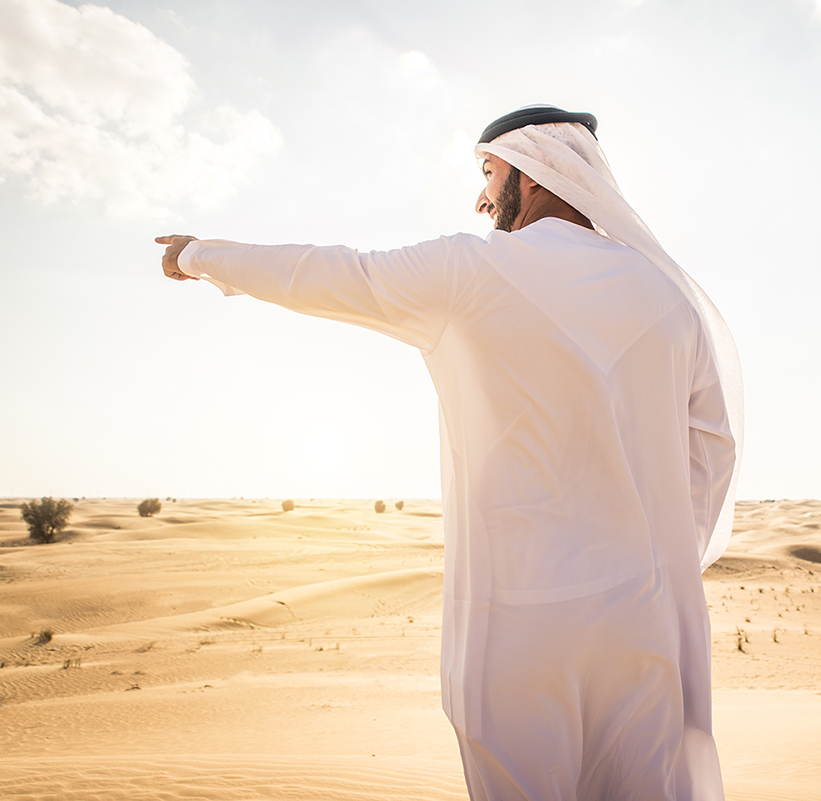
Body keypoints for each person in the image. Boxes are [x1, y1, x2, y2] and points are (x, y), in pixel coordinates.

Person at [157, 105, 742, 801]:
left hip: (517, 622)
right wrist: (663, 562)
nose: (482, 197)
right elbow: (711, 451)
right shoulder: (665, 294)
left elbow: (328, 273)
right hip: (644, 621)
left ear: (533, 173)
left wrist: (200, 254)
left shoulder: (470, 270)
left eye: (490, 174)